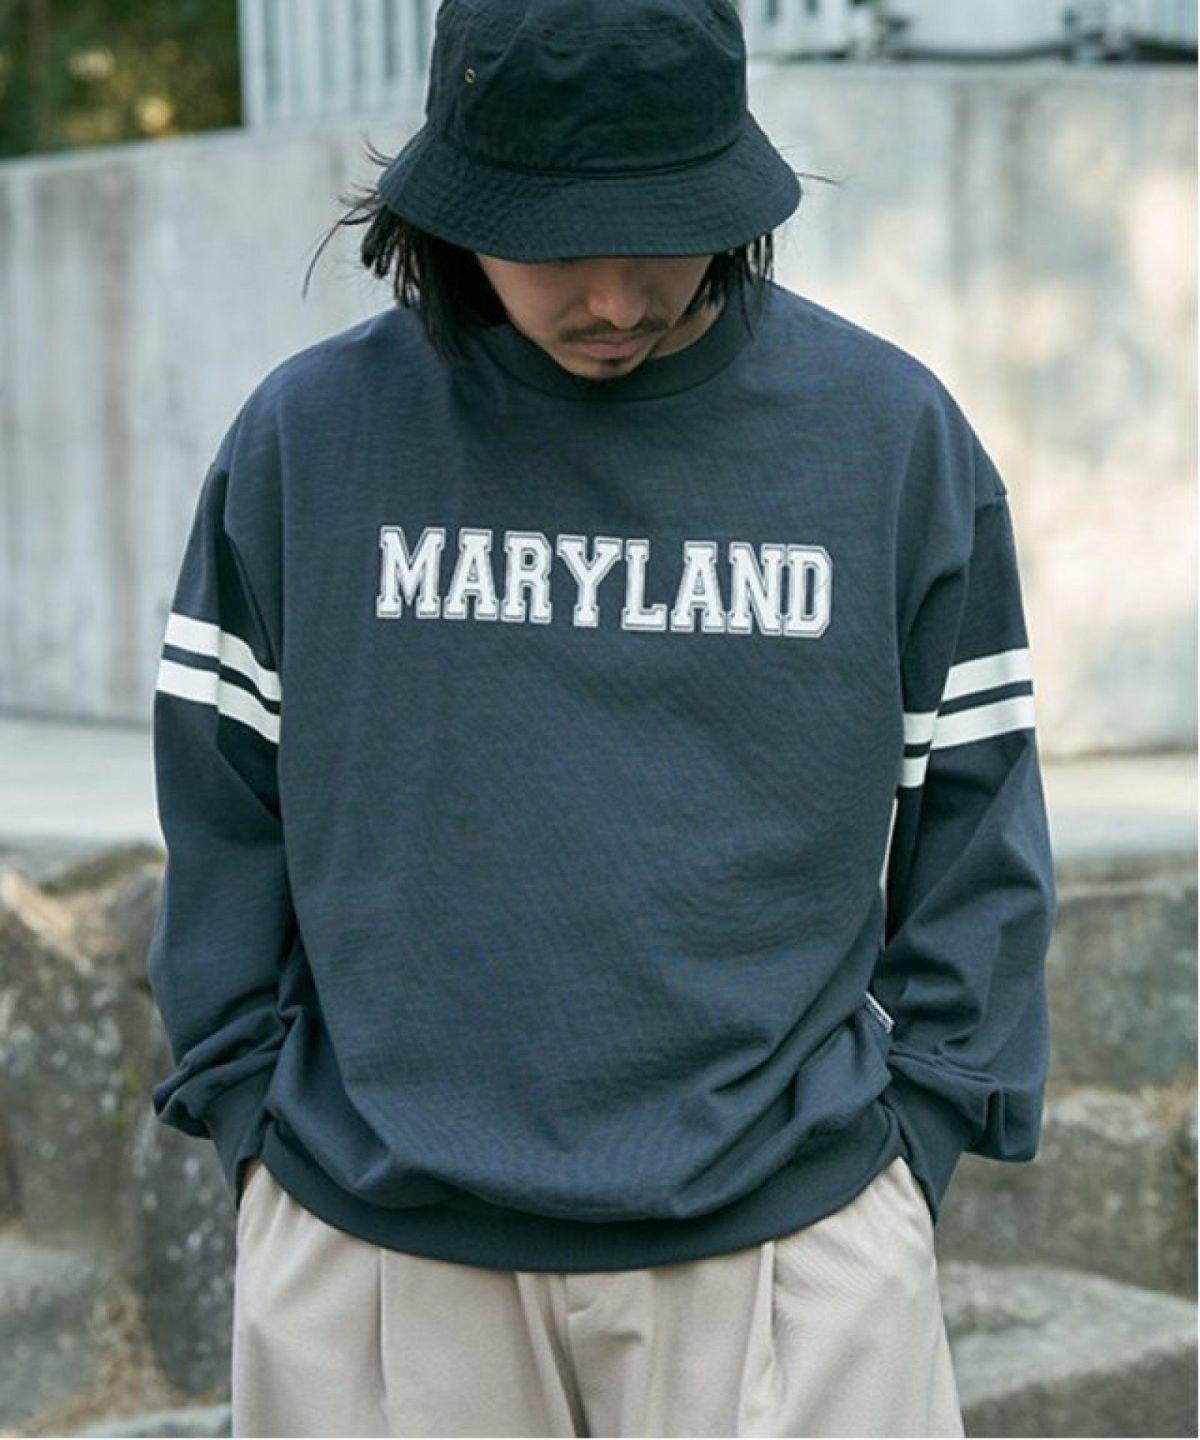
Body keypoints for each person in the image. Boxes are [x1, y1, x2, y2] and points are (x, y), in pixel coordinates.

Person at [145, 0, 1057, 1434]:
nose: (619, 302)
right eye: (560, 247)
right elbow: (219, 808)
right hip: (377, 1250)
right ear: (452, 209)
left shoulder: (886, 441)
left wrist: (913, 1143)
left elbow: (980, 822)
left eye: (665, 237)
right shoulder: (308, 444)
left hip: (794, 1251)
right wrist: (254, 1125)